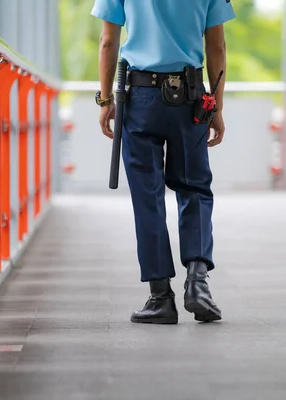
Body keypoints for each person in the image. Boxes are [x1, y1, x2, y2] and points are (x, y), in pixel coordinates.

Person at [91, 0, 235, 324]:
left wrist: (105, 99)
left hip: (140, 97)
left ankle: (160, 297)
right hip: (191, 97)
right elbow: (217, 45)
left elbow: (108, 41)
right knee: (194, 188)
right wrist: (218, 108)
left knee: (148, 195)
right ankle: (198, 284)